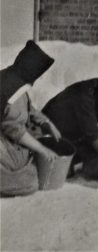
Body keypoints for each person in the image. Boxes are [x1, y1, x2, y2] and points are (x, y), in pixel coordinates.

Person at [0, 40, 61, 196]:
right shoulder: (13, 91)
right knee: (29, 182)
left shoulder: (10, 77)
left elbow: (28, 108)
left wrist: (46, 123)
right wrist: (42, 149)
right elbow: (14, 129)